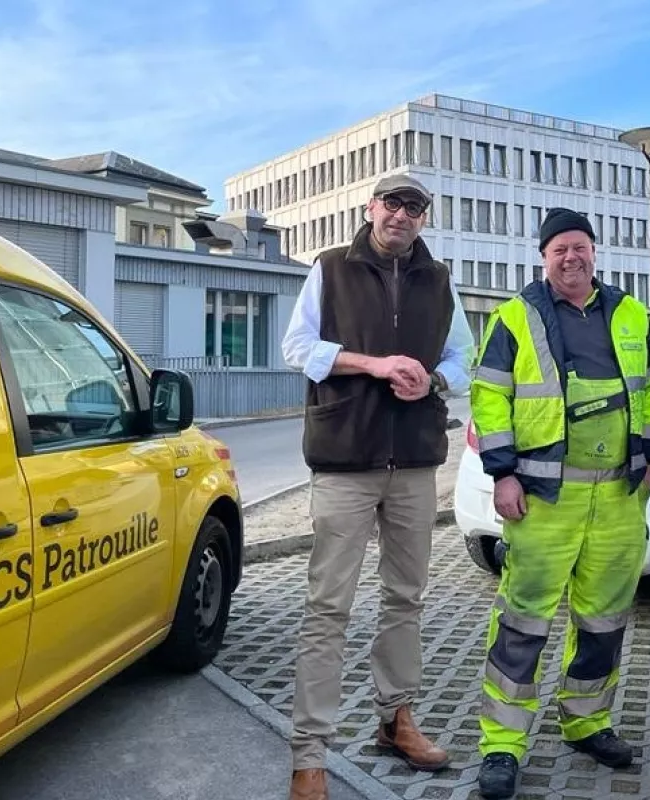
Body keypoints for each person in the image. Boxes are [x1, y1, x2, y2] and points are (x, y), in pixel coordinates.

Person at [280, 174, 475, 800]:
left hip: (415, 461)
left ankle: (396, 720)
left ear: (423, 219)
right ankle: (310, 752)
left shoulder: (439, 280)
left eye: (414, 207)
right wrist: (372, 364)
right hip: (345, 458)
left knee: (406, 599)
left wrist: (434, 382)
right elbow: (297, 347)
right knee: (328, 608)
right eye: (392, 203)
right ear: (371, 209)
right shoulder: (331, 268)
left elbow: (461, 359)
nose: (401, 214)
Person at [468, 208, 650, 799]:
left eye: (579, 247)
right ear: (544, 257)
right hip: (542, 498)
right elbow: (489, 398)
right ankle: (501, 745)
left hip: (616, 495)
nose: (571, 257)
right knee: (522, 621)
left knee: (604, 620)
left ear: (594, 252)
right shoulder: (514, 317)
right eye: (559, 250)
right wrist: (502, 476)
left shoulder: (630, 313)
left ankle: (586, 722)